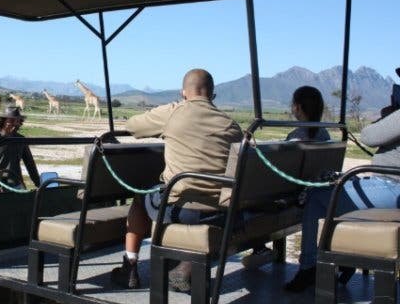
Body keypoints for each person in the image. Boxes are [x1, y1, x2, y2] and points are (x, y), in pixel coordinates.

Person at [110, 69, 243, 291]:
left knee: (141, 196)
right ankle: (184, 268)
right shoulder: (231, 125)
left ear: (183, 93)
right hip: (220, 212)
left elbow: (132, 126)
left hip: (181, 210)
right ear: (213, 95)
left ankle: (130, 267)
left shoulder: (173, 112)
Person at [284, 105, 400, 292]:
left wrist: (389, 115)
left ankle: (309, 266)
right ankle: (340, 256)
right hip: (389, 185)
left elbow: (369, 136)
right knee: (330, 194)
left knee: (316, 196)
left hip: (392, 186)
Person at [243, 86, 330, 269]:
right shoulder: (325, 133)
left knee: (250, 200)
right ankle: (260, 249)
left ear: (297, 108)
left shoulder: (296, 137)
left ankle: (259, 247)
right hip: (311, 191)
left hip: (295, 196)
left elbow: (279, 173)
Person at [0, 106, 40, 193]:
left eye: (17, 121)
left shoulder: (21, 139)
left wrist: (38, 183)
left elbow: (30, 164)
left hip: (16, 183)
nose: (15, 124)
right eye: (11, 120)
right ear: (3, 121)